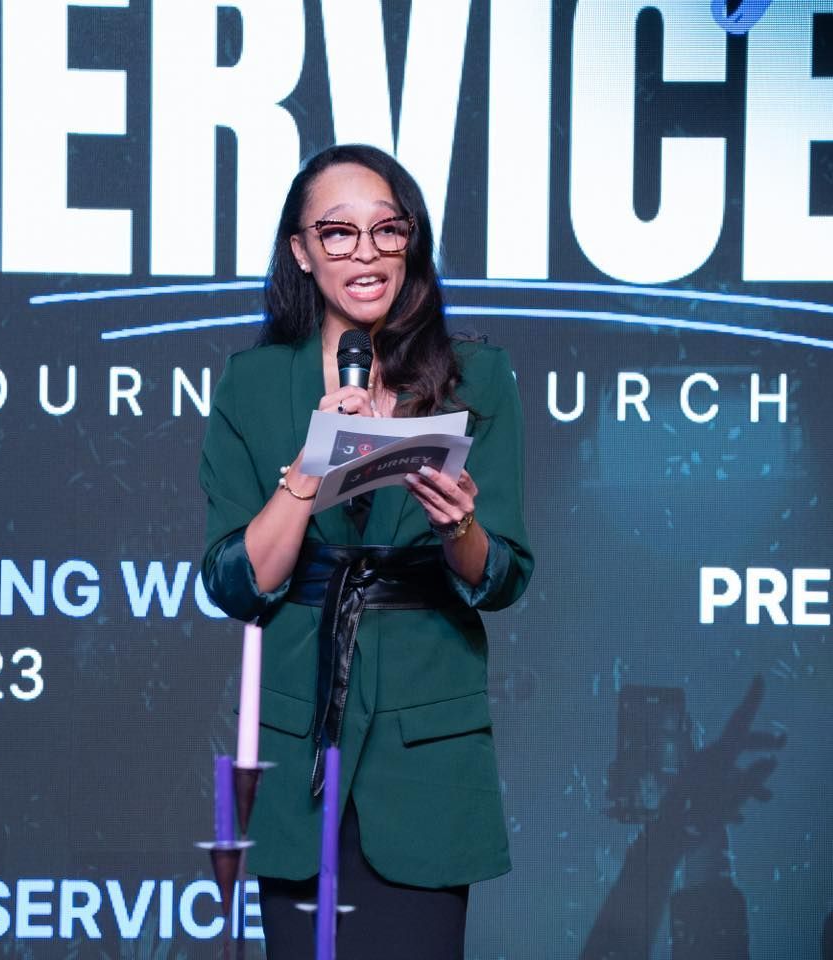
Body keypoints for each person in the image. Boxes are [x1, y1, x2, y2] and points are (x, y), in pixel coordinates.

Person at [198, 143, 533, 959]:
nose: (367, 252)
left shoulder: (476, 377)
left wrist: (459, 527)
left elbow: (504, 575)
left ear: (410, 242)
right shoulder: (252, 383)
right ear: (302, 252)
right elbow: (238, 583)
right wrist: (311, 469)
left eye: (387, 230)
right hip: (295, 732)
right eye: (338, 233)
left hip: (426, 735)